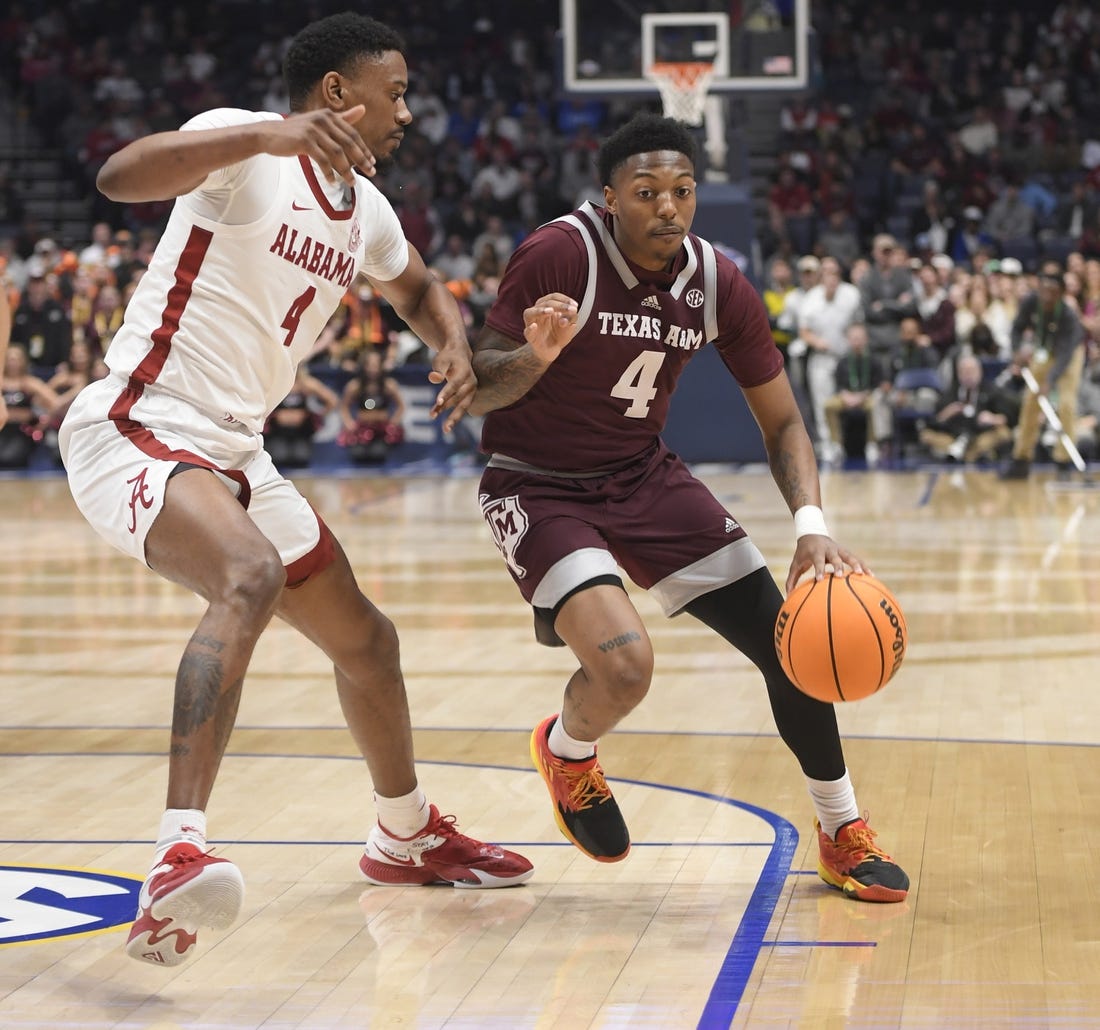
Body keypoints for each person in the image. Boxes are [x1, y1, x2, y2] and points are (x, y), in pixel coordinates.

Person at [57, 13, 533, 970]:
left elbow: (420, 289)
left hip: (236, 450)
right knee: (250, 574)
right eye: (392, 92)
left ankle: (403, 835)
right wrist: (266, 133)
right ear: (334, 94)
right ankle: (175, 853)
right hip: (139, 421)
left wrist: (449, 337)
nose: (406, 110)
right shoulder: (246, 145)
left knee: (369, 640)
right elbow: (119, 177)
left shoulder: (367, 209)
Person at [468, 113, 908, 903]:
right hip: (535, 479)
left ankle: (841, 831)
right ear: (610, 198)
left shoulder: (717, 281)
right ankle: (569, 754)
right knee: (626, 668)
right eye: (646, 193)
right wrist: (534, 356)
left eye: (682, 191)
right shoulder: (559, 253)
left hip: (642, 475)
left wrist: (811, 527)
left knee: (792, 642)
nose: (668, 208)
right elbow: (478, 388)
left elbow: (781, 421)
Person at [1000, 267, 1086, 479]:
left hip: (1069, 355)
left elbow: (1065, 355)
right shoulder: (1030, 302)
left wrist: (1049, 381)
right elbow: (1017, 328)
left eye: (1052, 291)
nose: (1046, 294)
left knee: (1066, 404)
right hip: (1045, 350)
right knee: (1030, 401)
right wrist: (1017, 350)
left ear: (1061, 294)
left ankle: (1063, 461)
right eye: (1043, 289)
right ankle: (1021, 458)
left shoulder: (1068, 316)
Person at [919, 353, 1013, 463]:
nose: (969, 375)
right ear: (958, 374)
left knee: (1002, 433)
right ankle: (962, 453)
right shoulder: (950, 393)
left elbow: (1006, 418)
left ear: (980, 372)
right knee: (926, 435)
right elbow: (934, 421)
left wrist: (992, 418)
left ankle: (966, 454)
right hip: (953, 437)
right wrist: (946, 414)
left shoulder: (991, 391)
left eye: (972, 371)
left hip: (981, 436)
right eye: (965, 371)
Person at [337, 346, 406, 464]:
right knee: (358, 454)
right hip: (361, 430)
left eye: (376, 365)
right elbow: (344, 406)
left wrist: (394, 422)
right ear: (363, 366)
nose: (372, 369)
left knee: (378, 454)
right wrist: (349, 423)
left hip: (382, 430)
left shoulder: (388, 385)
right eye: (369, 365)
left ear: (381, 366)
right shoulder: (355, 386)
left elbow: (401, 406)